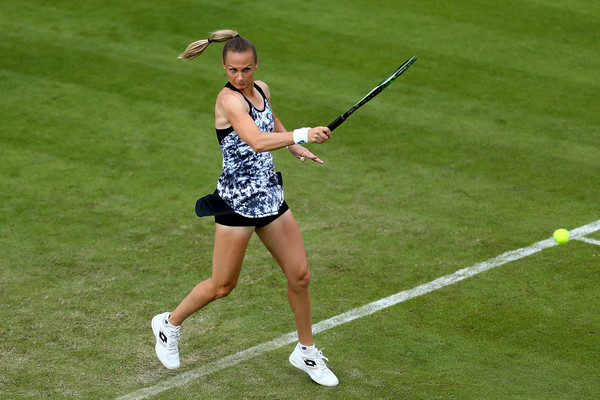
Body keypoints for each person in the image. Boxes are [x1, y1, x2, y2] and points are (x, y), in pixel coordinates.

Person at [151, 29, 339, 387]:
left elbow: (270, 123)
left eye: (247, 69)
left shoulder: (262, 89)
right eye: (233, 70)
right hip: (237, 201)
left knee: (300, 276)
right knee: (223, 285)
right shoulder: (228, 101)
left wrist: (293, 146)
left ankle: (306, 351)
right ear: (223, 67)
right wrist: (302, 134)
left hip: (268, 195)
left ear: (256, 66)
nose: (240, 77)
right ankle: (169, 324)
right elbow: (254, 140)